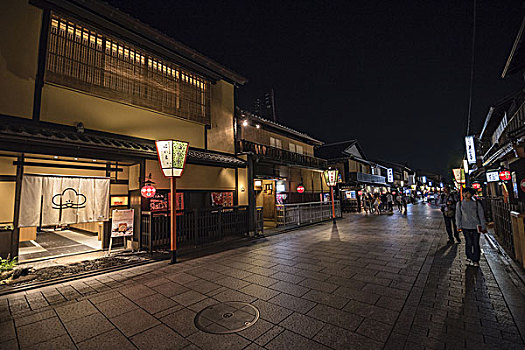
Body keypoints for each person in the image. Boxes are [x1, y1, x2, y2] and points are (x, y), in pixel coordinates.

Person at [456, 187, 487, 267]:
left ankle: (476, 259)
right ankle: (469, 257)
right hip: (465, 226)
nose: (466, 194)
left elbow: (481, 215)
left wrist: (483, 226)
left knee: (476, 243)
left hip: (476, 226)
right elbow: (458, 216)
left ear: (471, 194)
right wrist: (458, 226)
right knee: (469, 242)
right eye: (464, 193)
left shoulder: (476, 203)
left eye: (468, 193)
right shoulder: (459, 204)